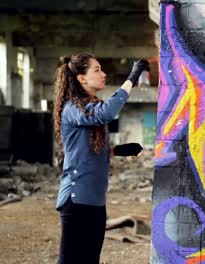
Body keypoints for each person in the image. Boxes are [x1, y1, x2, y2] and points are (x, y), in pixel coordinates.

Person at [53, 53, 149, 263]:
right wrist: (131, 78)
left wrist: (117, 150)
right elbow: (105, 113)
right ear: (81, 78)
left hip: (95, 201)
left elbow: (87, 151)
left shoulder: (89, 106)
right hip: (76, 200)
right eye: (97, 70)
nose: (103, 74)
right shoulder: (72, 109)